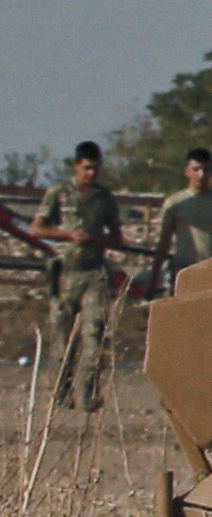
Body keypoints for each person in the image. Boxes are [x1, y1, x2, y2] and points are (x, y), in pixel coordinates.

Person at [30, 142, 129, 414]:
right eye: (86, 168)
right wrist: (68, 235)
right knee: (62, 338)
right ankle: (61, 395)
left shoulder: (104, 197)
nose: (91, 174)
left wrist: (95, 239)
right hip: (65, 274)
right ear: (76, 166)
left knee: (94, 334)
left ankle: (88, 395)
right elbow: (37, 229)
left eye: (96, 168)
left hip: (94, 273)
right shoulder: (58, 193)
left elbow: (118, 238)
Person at [149, 147, 212, 293]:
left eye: (206, 170)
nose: (201, 175)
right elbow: (164, 242)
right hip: (184, 270)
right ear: (187, 171)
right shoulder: (175, 202)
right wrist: (153, 279)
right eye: (196, 169)